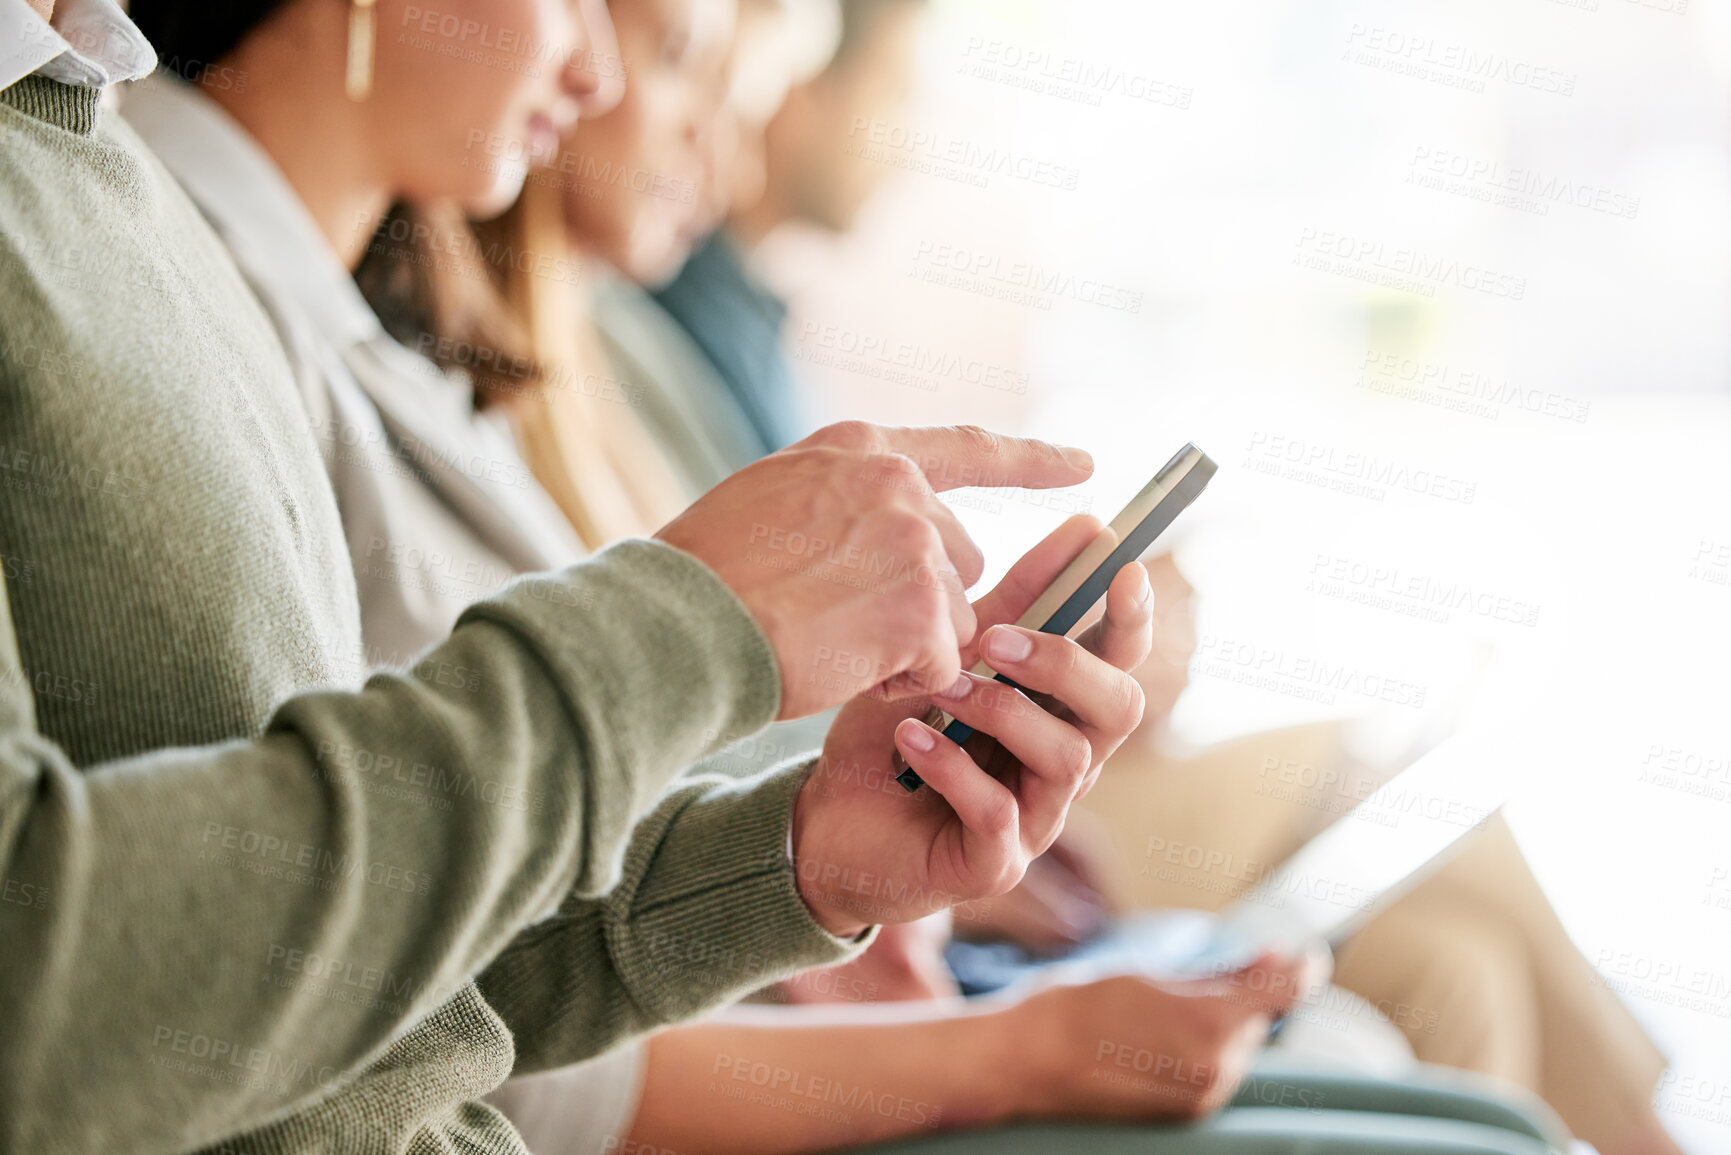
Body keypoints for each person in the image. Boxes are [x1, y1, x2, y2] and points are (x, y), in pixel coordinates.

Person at [542, 1, 1689, 1151]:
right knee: (1430, 829)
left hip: (851, 849)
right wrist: (986, 1025)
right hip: (863, 893)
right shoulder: (639, 349)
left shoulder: (645, 359)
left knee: (1457, 969)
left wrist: (902, 741)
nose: (715, 133)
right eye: (690, 62)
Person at [1, 3, 1120, 1154]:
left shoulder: (103, 165)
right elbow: (49, 1000)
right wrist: (682, 622)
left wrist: (790, 862)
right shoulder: (140, 214)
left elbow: (361, 960)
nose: (591, 71)